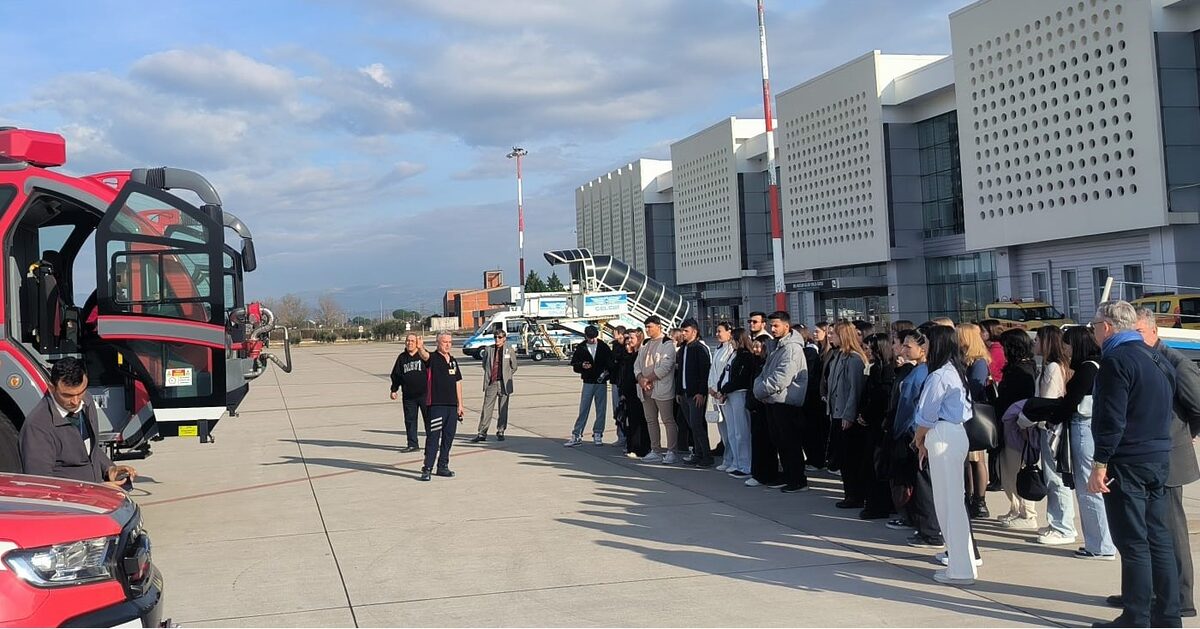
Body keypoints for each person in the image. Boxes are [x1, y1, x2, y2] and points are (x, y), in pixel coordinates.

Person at [1099, 308, 1200, 617]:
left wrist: (1182, 435)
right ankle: (1144, 595)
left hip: (1165, 456)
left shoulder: (1173, 362)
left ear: (1154, 332)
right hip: (1153, 454)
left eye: (1140, 332)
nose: (1135, 338)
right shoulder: (1144, 358)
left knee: (1167, 532)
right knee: (1144, 534)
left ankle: (1179, 598)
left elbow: (1197, 405)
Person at [1088, 300, 1180, 628]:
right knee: (1159, 538)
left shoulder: (1116, 361)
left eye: (1095, 325)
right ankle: (1168, 617)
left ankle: (1136, 617)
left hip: (1128, 460)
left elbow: (1111, 418)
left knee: (1134, 541)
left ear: (1108, 326)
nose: (1094, 332)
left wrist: (1100, 463)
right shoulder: (1156, 357)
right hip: (1157, 456)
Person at [1023, 326, 1115, 559]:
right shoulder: (1097, 365)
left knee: (1088, 488)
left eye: (1068, 344)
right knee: (1087, 488)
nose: (1066, 349)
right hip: (1087, 428)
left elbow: (1070, 403)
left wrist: (1048, 415)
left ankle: (1101, 545)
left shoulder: (1087, 368)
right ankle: (1099, 543)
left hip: (1084, 429)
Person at [913, 325, 978, 585]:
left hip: (942, 434)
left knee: (948, 503)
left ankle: (960, 569)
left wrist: (919, 441)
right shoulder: (955, 371)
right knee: (953, 502)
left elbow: (926, 415)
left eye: (927, 342)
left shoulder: (940, 375)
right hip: (954, 434)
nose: (925, 347)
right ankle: (964, 564)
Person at [19, 357, 136, 487]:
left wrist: (109, 469)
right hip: (70, 504)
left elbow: (89, 448)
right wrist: (98, 489)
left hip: (95, 497)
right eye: (67, 395)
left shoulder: (86, 401)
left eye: (80, 392)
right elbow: (40, 485)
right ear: (51, 388)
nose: (75, 401)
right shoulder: (37, 427)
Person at [1028, 325, 1076, 546]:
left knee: (1055, 478)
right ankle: (1057, 521)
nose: (1034, 344)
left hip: (1050, 428)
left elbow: (1048, 400)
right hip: (1050, 427)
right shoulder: (1056, 366)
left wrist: (1032, 418)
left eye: (1037, 339)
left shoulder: (1053, 368)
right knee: (1054, 477)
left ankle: (1063, 526)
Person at [752, 311, 810, 493]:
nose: (773, 329)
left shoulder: (792, 348)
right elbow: (765, 372)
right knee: (780, 442)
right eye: (771, 325)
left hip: (786, 402)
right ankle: (788, 476)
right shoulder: (777, 347)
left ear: (787, 326)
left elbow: (781, 378)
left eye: (776, 325)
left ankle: (798, 480)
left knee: (790, 443)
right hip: (773, 401)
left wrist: (760, 390)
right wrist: (758, 387)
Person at [996, 328, 1039, 529]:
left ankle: (1027, 513)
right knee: (1007, 469)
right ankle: (1015, 508)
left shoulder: (1023, 371)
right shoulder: (1016, 368)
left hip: (1017, 425)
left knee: (1017, 468)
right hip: (1007, 422)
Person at [828, 321, 868, 508]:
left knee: (850, 458)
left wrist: (848, 415)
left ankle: (855, 495)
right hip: (836, 412)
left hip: (845, 415)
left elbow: (855, 390)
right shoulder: (838, 357)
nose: (830, 337)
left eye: (833, 334)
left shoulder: (853, 359)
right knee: (843, 458)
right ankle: (849, 493)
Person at [858, 332, 895, 519]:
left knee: (877, 465)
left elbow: (881, 397)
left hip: (879, 424)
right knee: (872, 465)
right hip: (872, 422)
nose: (867, 351)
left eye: (870, 348)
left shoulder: (886, 370)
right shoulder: (876, 368)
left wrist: (867, 414)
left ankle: (879, 505)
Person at [957, 323, 992, 519]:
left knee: (976, 460)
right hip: (964, 415)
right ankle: (970, 497)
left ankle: (979, 500)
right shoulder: (965, 360)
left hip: (973, 415)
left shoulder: (978, 362)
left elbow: (975, 389)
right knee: (968, 460)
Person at [419, 332, 464, 482]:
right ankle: (427, 468)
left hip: (452, 406)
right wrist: (420, 347)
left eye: (450, 342)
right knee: (433, 437)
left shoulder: (453, 361)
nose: (447, 344)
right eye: (444, 342)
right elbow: (424, 355)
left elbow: (458, 382)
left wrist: (460, 404)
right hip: (436, 406)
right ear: (438, 343)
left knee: (448, 437)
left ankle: (442, 465)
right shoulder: (433, 358)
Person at [637, 315, 678, 463]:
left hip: (661, 387)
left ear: (658, 326)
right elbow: (637, 366)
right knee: (651, 420)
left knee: (667, 420)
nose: (647, 330)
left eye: (650, 327)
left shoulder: (667, 343)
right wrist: (641, 379)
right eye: (646, 327)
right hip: (645, 389)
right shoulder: (646, 344)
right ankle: (655, 449)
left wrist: (648, 378)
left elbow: (665, 367)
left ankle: (672, 450)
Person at [717, 328, 754, 478]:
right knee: (732, 431)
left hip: (739, 393)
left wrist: (725, 389)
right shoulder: (734, 354)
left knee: (741, 432)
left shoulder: (746, 356)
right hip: (729, 395)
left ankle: (746, 465)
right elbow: (725, 374)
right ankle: (736, 462)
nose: (731, 342)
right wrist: (721, 389)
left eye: (733, 339)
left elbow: (740, 378)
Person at [566, 325, 611, 447]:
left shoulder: (603, 347)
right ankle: (577, 434)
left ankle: (598, 433)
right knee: (584, 409)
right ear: (586, 336)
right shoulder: (581, 347)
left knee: (601, 410)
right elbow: (574, 365)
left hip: (601, 382)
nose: (592, 340)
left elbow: (611, 363)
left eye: (594, 337)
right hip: (588, 381)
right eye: (590, 338)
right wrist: (582, 366)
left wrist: (606, 373)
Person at [472, 329, 517, 443]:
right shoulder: (489, 349)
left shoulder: (509, 350)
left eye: (500, 337)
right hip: (492, 383)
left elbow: (514, 366)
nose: (497, 339)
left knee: (503, 409)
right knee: (486, 409)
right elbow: (484, 364)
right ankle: (482, 432)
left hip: (504, 384)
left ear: (504, 338)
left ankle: (501, 430)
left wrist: (506, 375)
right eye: (496, 337)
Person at [678, 318, 713, 466]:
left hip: (696, 394)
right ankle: (698, 453)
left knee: (697, 425)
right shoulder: (683, 348)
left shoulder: (700, 348)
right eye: (682, 331)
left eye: (686, 331)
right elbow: (680, 372)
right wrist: (679, 391)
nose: (683, 334)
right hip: (685, 393)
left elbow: (705, 372)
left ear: (694, 331)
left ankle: (706, 456)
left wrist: (701, 392)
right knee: (691, 425)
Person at [389, 334, 431, 452]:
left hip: (425, 395)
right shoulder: (402, 358)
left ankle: (431, 443)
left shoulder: (423, 355)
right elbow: (396, 375)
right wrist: (394, 389)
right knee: (410, 420)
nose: (410, 343)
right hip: (409, 396)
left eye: (412, 341)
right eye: (408, 341)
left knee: (429, 420)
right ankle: (412, 444)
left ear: (417, 342)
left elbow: (432, 369)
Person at [618, 329, 651, 458]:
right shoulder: (629, 355)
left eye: (632, 338)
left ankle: (641, 448)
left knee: (640, 420)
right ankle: (632, 446)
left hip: (638, 390)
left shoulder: (640, 354)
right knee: (631, 419)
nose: (629, 340)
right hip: (629, 391)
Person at [709, 322, 736, 471]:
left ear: (729, 332)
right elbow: (713, 370)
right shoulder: (718, 349)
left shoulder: (731, 349)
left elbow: (726, 374)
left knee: (732, 429)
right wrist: (711, 388)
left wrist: (720, 390)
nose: (717, 334)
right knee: (723, 429)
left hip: (724, 394)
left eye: (720, 331)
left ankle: (734, 459)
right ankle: (728, 458)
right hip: (715, 393)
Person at [609, 326, 629, 447]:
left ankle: (627, 437)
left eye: (614, 333)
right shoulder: (615, 346)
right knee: (617, 410)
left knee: (625, 410)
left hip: (623, 382)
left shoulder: (625, 348)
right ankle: (621, 436)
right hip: (616, 380)